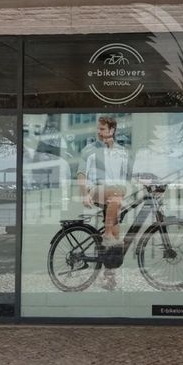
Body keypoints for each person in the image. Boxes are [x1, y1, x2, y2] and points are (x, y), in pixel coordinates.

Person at [76, 116, 130, 277]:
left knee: (116, 235)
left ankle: (109, 275)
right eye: (98, 128)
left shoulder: (122, 152)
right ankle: (106, 234)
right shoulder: (89, 149)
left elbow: (127, 176)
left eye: (102, 129)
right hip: (95, 190)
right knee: (116, 194)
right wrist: (84, 194)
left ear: (112, 130)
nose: (99, 132)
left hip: (115, 194)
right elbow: (81, 173)